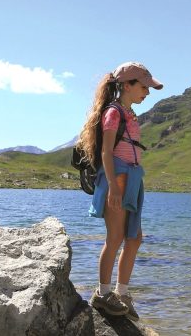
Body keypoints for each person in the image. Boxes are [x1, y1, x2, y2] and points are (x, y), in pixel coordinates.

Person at [76, 61, 163, 321]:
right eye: (144, 87)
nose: (147, 92)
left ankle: (122, 294)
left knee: (134, 238)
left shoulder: (129, 113)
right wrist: (113, 185)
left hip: (132, 179)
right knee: (115, 238)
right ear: (127, 85)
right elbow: (106, 151)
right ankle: (102, 294)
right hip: (118, 178)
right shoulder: (113, 113)